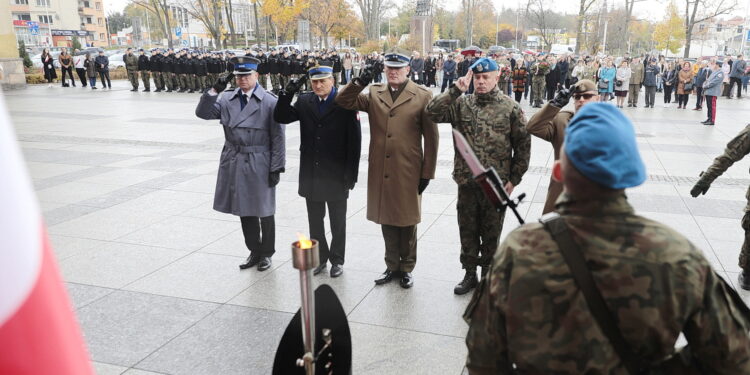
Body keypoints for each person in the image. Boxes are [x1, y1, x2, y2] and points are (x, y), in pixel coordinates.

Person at [465, 102, 750, 374]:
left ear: (558, 172)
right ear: (633, 174)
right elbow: (735, 359)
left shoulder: (519, 249)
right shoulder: (677, 255)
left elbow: (483, 359)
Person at [335, 49, 439, 289]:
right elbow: (343, 101)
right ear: (384, 70)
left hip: (408, 167)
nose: (393, 72)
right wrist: (359, 80)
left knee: (407, 219)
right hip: (381, 165)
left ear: (407, 70)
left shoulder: (423, 95)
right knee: (387, 218)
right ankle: (391, 265)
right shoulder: (373, 93)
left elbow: (431, 138)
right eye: (389, 68)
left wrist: (428, 172)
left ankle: (407, 267)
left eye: (398, 68)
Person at [426, 57, 531, 295]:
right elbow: (431, 113)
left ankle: (488, 275)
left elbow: (523, 146)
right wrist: (455, 90)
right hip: (467, 181)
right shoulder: (462, 104)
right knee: (468, 229)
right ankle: (470, 273)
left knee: (492, 232)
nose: (481, 82)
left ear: (496, 78)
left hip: (496, 184)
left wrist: (514, 179)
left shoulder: (510, 107)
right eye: (478, 78)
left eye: (486, 78)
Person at [195, 56, 285, 271]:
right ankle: (254, 250)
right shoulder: (226, 99)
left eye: (246, 75)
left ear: (257, 76)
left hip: (260, 158)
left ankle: (267, 253)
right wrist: (214, 91)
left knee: (264, 209)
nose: (242, 79)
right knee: (244, 209)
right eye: (238, 76)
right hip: (235, 158)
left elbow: (278, 137)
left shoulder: (270, 101)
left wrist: (277, 167)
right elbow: (203, 113)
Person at [274, 64, 361, 278]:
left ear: (332, 80)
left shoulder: (344, 102)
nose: (318, 85)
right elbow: (282, 117)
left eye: (322, 81)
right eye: (314, 82)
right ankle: (321, 258)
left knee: (337, 221)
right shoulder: (305, 101)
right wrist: (287, 93)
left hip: (336, 173)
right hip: (312, 172)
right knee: (315, 219)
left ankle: (337, 260)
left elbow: (355, 141)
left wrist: (351, 174)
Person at [526, 79, 599, 214]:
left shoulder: (610, 126)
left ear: (598, 98)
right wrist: (555, 105)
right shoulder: (562, 120)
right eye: (577, 97)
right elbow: (533, 127)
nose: (581, 100)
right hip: (561, 193)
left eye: (587, 96)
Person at [702, 60, 724, 126]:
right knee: (709, 106)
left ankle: (712, 120)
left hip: (713, 92)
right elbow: (708, 80)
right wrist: (705, 84)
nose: (713, 65)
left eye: (714, 64)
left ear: (717, 65)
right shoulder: (715, 71)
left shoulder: (720, 73)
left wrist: (706, 86)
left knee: (712, 107)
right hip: (708, 91)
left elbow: (714, 82)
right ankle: (709, 118)